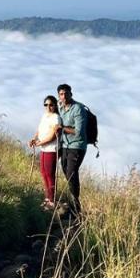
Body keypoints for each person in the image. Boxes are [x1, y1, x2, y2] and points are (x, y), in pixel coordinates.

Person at [56, 84, 86, 217]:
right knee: (67, 174)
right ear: (59, 96)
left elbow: (79, 132)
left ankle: (76, 208)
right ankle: (73, 205)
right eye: (61, 94)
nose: (64, 96)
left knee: (71, 174)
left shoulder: (78, 109)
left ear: (71, 94)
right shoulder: (60, 107)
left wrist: (62, 128)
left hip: (77, 146)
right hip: (65, 145)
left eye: (66, 93)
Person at [28, 95, 61, 209]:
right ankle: (47, 198)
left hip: (51, 149)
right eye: (46, 105)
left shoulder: (56, 118)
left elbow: (53, 136)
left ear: (55, 105)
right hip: (44, 149)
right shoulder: (45, 116)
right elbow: (39, 130)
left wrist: (40, 143)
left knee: (50, 174)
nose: (48, 107)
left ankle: (52, 200)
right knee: (43, 173)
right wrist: (34, 139)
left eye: (51, 104)